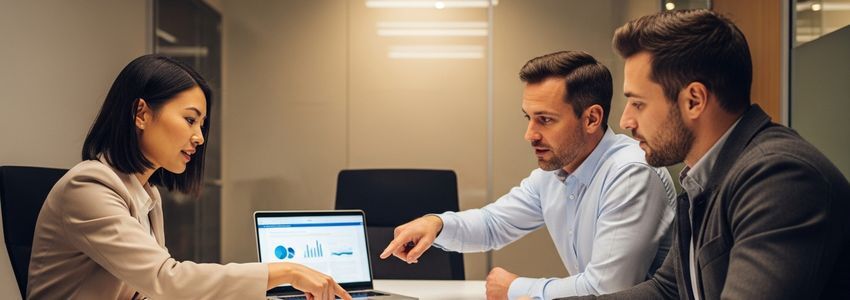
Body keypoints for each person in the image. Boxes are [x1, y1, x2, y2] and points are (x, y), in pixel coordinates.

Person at [559, 9, 850, 300]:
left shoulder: (780, 178)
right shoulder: (705, 177)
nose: (625, 121)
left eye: (638, 103)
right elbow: (668, 290)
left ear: (694, 100)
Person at [26, 54, 352, 300]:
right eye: (189, 120)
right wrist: (285, 271)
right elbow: (166, 280)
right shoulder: (88, 188)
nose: (199, 137)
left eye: (201, 125)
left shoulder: (146, 195)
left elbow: (148, 291)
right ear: (141, 113)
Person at [380, 51, 677, 300]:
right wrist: (437, 223)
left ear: (591, 118)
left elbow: (607, 289)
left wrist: (514, 288)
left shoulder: (629, 174)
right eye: (529, 117)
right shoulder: (556, 170)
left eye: (545, 120)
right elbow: (493, 224)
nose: (530, 134)